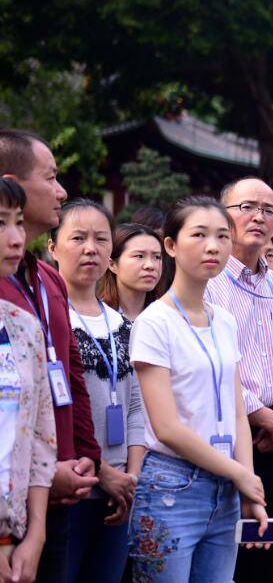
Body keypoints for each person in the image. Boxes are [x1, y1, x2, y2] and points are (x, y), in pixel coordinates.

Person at [128, 196, 269, 583]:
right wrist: (238, 474)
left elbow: (237, 408)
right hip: (172, 487)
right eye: (200, 235)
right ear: (170, 246)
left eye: (223, 236)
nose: (214, 246)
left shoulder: (224, 320)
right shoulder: (155, 322)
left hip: (225, 488)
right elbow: (167, 427)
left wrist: (247, 483)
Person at [0, 129, 101, 583]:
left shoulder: (47, 279)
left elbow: (69, 377)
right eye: (52, 177)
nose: (62, 192)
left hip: (55, 489)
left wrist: (86, 459)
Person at [205, 177, 273, 583]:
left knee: (270, 559)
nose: (259, 217)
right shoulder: (209, 284)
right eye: (247, 207)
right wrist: (265, 417)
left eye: (269, 210)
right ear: (223, 215)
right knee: (229, 558)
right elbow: (216, 366)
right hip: (229, 437)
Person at [48, 200, 148, 583]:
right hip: (71, 485)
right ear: (53, 249)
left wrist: (130, 478)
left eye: (100, 239)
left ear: (111, 252)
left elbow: (137, 406)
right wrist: (103, 472)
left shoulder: (122, 325)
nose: (90, 248)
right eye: (78, 238)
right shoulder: (51, 321)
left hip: (120, 493)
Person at [0, 179, 56, 583]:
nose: (16, 237)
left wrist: (35, 533)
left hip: (14, 536)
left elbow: (41, 437)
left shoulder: (22, 326)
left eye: (18, 222)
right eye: (1, 224)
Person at [98, 223, 164, 321]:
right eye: (139, 256)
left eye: (157, 257)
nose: (150, 265)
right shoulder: (96, 316)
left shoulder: (168, 317)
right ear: (112, 264)